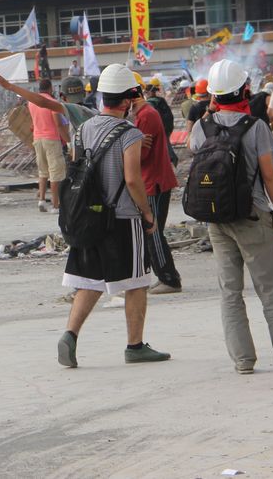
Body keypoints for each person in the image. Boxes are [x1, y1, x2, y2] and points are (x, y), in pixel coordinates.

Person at [189, 59, 273, 374]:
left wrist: (210, 114)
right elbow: (270, 176)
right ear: (244, 90)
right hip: (253, 216)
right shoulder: (256, 127)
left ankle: (243, 360)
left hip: (217, 220)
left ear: (215, 95)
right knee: (271, 287)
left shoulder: (200, 127)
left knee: (230, 292)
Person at [57, 64, 170, 368]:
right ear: (127, 99)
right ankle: (135, 346)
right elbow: (133, 179)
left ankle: (70, 334)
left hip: (88, 217)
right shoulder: (129, 133)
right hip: (122, 218)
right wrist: (147, 214)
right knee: (136, 282)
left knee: (89, 280)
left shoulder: (82, 129)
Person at [130, 82, 182, 294]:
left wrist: (129, 147)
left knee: (153, 231)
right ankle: (163, 275)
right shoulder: (146, 114)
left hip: (154, 181)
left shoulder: (146, 116)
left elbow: (141, 155)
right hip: (153, 179)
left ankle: (169, 279)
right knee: (151, 230)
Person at [28, 79, 70, 213]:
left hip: (37, 138)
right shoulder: (52, 103)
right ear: (50, 88)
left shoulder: (32, 102)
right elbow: (58, 123)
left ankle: (41, 200)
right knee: (55, 173)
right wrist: (68, 141)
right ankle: (55, 205)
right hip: (51, 139)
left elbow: (32, 124)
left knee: (43, 171)